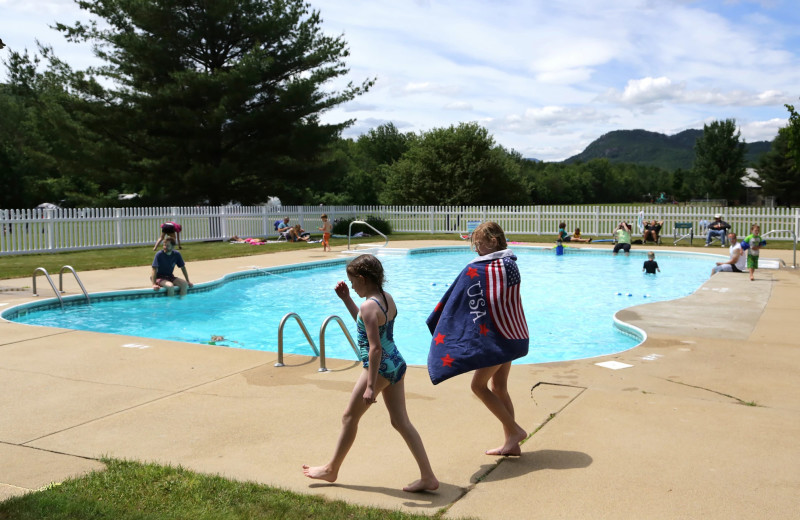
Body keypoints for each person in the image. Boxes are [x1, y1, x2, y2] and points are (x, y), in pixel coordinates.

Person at [302, 254, 439, 493]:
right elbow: (366, 323)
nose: (352, 287)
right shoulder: (386, 299)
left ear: (364, 279)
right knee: (401, 421)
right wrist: (346, 299)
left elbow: (374, 348)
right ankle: (428, 477)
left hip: (380, 368)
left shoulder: (368, 306)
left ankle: (331, 469)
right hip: (397, 362)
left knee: (349, 417)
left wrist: (370, 386)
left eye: (353, 282)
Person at [426, 221, 529, 457]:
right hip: (512, 335)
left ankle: (514, 431)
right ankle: (511, 444)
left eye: (479, 245)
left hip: (497, 339)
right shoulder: (510, 264)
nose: (477, 251)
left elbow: (482, 301)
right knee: (499, 386)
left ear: (493, 241)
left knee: (478, 386)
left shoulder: (490, 268)